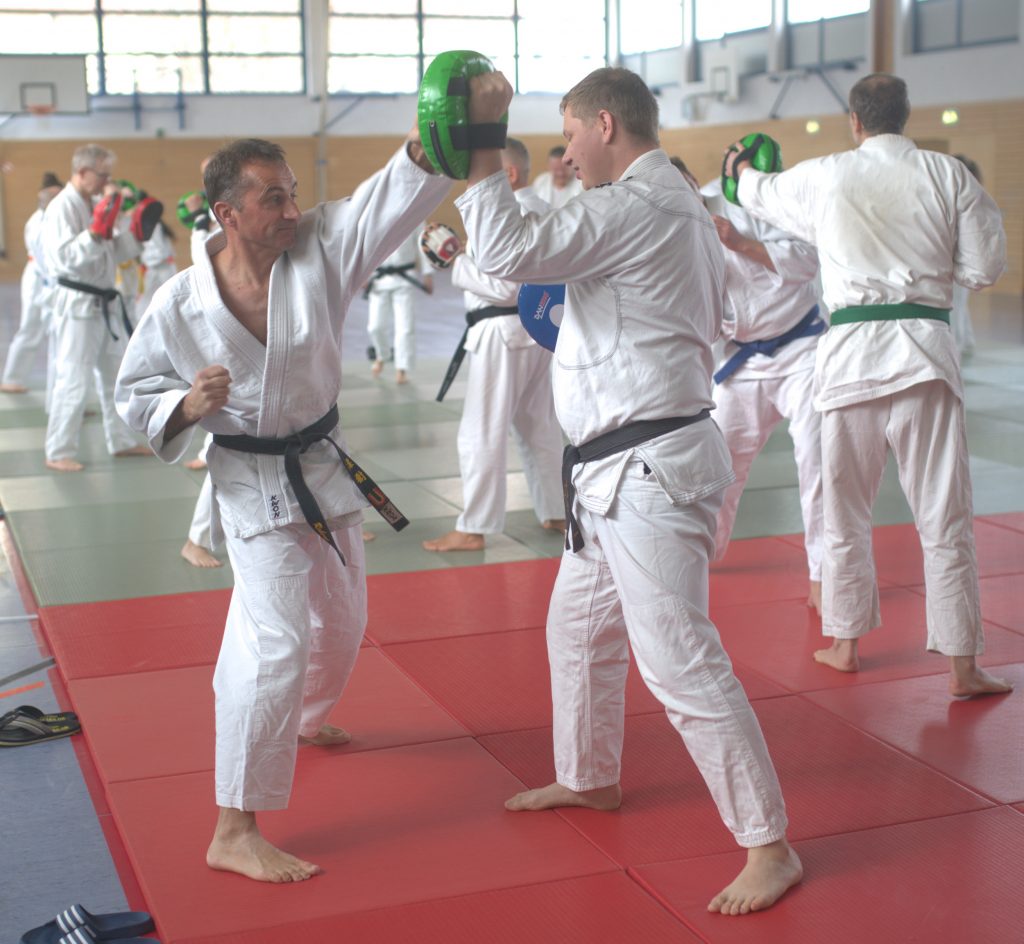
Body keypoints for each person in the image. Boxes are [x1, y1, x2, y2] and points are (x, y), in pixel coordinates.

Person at [457, 67, 801, 916]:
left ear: (605, 124)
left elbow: (505, 253)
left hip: (648, 471)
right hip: (618, 471)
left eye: (571, 134)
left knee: (679, 658)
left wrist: (481, 147)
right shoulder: (669, 202)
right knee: (577, 630)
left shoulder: (637, 206)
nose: (568, 153)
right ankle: (589, 776)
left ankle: (769, 844)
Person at [116, 135, 450, 883]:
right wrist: (184, 405)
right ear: (227, 213)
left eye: (294, 192)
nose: (294, 210)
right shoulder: (178, 303)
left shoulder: (318, 250)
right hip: (248, 480)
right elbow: (134, 393)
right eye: (275, 198)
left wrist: (432, 144)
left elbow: (381, 206)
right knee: (274, 644)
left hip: (323, 465)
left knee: (344, 622)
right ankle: (234, 827)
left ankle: (297, 718)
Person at [725, 74, 1011, 697]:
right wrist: (934, 267)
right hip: (925, 356)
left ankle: (845, 643)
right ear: (906, 115)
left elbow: (758, 192)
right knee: (944, 515)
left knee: (844, 508)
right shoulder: (948, 174)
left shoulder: (826, 174)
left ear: (854, 121)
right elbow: (985, 269)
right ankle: (962, 667)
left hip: (850, 359)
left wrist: (740, 168)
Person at [422, 137, 565, 553]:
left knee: (480, 431)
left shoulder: (507, 212)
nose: (473, 180)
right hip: (536, 333)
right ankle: (557, 510)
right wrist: (462, 254)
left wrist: (455, 261)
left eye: (482, 172)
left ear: (510, 174)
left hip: (501, 333)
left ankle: (474, 526)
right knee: (539, 427)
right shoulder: (543, 209)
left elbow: (505, 287)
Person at [698, 170, 825, 614]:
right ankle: (700, 556)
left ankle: (824, 575)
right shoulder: (667, 233)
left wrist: (741, 243)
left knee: (818, 459)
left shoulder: (745, 200)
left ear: (691, 184)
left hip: (801, 348)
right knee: (717, 464)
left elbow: (808, 259)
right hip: (742, 358)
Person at [43, 144, 152, 472]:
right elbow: (64, 259)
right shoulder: (61, 207)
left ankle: (121, 441)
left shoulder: (94, 204)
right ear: (82, 172)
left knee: (115, 376)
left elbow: (112, 253)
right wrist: (94, 233)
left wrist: (136, 234)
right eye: (103, 175)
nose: (108, 182)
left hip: (103, 302)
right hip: (77, 305)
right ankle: (58, 450)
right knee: (74, 377)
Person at [1, 173, 63, 393]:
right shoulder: (38, 221)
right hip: (39, 277)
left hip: (47, 279)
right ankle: (12, 378)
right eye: (50, 196)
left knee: (56, 335)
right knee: (30, 328)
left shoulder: (52, 218)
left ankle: (58, 389)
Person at [365, 229, 433, 384]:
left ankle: (402, 368)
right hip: (378, 279)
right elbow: (365, 245)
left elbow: (423, 243)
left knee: (405, 327)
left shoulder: (415, 215)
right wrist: (361, 275)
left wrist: (428, 274)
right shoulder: (374, 215)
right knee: (375, 327)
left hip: (405, 278)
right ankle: (382, 355)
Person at [949, 154, 982, 359]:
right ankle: (966, 340)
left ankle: (959, 344)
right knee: (960, 303)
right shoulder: (968, 199)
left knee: (956, 304)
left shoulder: (965, 200)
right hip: (959, 259)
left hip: (959, 259)